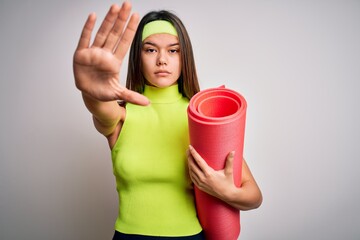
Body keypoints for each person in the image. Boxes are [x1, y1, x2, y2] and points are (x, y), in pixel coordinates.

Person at [73, 1, 262, 239]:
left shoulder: (201, 118)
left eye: (173, 50)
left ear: (185, 57)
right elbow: (99, 108)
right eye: (150, 50)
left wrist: (224, 191)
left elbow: (254, 196)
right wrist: (89, 90)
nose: (162, 59)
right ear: (137, 57)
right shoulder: (121, 114)